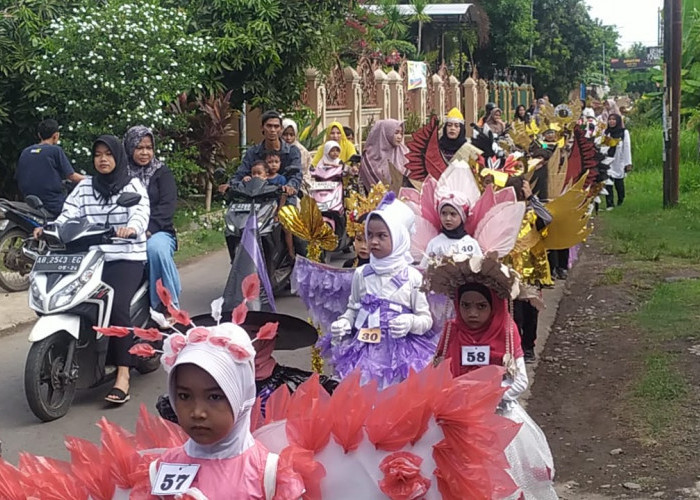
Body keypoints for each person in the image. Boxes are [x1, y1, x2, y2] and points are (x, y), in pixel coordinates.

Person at [34, 135, 150, 404]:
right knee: (69, 295)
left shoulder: (132, 185)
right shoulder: (85, 186)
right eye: (98, 154)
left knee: (116, 303)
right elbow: (68, 214)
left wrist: (131, 228)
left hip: (125, 256)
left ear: (118, 157)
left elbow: (140, 213)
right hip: (90, 257)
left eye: (108, 154)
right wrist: (51, 228)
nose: (103, 159)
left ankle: (123, 374)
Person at [430, 273, 557, 499]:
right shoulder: (452, 331)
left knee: (503, 480)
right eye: (465, 306)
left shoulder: (506, 332)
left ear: (495, 306)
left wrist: (488, 396)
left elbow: (519, 381)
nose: (472, 313)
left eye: (481, 306)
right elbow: (437, 372)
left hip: (499, 420)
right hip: (457, 423)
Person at [149, 322, 305, 499]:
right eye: (184, 396)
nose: (197, 412)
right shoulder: (163, 468)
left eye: (215, 397)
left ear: (240, 396)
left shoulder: (267, 475)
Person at [321, 194, 436, 389]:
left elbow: (426, 319)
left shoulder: (412, 277)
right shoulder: (361, 275)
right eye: (370, 235)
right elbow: (353, 308)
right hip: (365, 354)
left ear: (399, 237)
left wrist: (411, 322)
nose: (373, 241)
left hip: (399, 358)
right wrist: (344, 322)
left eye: (382, 236)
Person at [222, 110, 303, 261]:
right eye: (269, 126)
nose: (272, 130)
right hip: (257, 199)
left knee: (294, 225)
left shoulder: (292, 151)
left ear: (280, 129)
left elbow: (296, 174)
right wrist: (231, 185)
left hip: (284, 197)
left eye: (276, 126)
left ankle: (299, 260)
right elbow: (241, 172)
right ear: (262, 128)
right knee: (236, 226)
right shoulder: (253, 152)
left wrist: (290, 186)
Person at [124, 125, 181, 312]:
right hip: (124, 232)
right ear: (129, 148)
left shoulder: (161, 172)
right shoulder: (120, 174)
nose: (144, 153)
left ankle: (167, 306)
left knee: (155, 250)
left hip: (158, 230)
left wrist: (148, 229)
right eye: (139, 148)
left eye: (148, 148)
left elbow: (167, 207)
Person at [503, 176, 553, 363]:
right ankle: (516, 348)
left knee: (531, 314)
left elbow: (548, 218)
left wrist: (532, 198)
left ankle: (528, 347)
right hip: (509, 275)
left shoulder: (532, 215)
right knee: (514, 315)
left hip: (531, 275)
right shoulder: (504, 217)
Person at [16, 119, 85, 217]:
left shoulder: (25, 152)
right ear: (56, 135)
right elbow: (72, 176)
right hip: (53, 205)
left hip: (29, 202)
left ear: (39, 135)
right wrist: (91, 180)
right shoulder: (55, 150)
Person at [419, 200, 482, 268]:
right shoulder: (435, 243)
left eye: (453, 214)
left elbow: (480, 269)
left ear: (462, 217)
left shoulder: (471, 243)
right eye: (444, 213)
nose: (448, 218)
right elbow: (424, 269)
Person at [358, 119, 408, 191]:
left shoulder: (404, 152)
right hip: (375, 199)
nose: (399, 137)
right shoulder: (369, 157)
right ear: (385, 133)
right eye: (396, 133)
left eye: (401, 133)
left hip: (402, 198)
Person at [602, 113, 632, 210]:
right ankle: (609, 203)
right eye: (610, 119)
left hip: (619, 160)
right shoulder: (606, 132)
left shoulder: (624, 132)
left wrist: (628, 163)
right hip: (607, 160)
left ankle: (620, 199)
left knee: (619, 182)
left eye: (614, 119)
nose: (611, 121)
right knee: (608, 182)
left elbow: (626, 147)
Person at [281, 118, 312, 188]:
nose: (288, 138)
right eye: (285, 134)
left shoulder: (302, 151)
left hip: (300, 184)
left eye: (291, 135)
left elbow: (303, 172)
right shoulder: (277, 148)